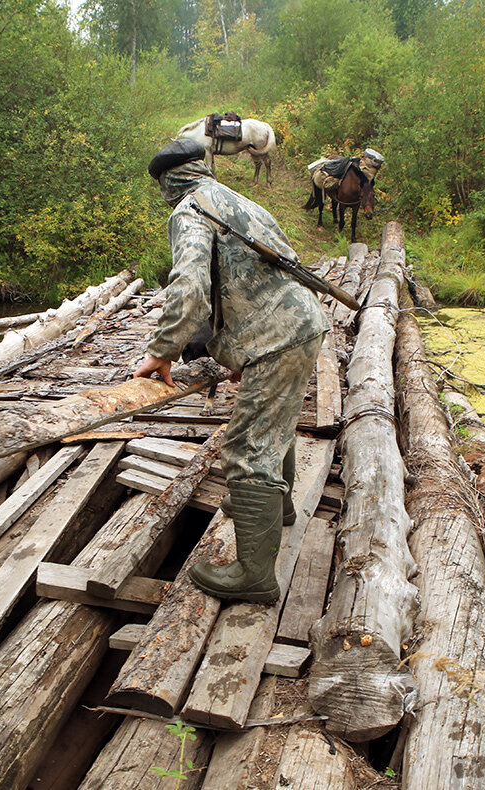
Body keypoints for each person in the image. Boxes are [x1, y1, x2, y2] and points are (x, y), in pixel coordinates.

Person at [134, 138, 329, 604]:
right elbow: (282, 265)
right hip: (303, 322)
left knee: (246, 447)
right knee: (272, 424)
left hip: (276, 336)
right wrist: (244, 349)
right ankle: (277, 506)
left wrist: (162, 351)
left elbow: (190, 287)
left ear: (166, 182)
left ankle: (254, 575)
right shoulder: (239, 201)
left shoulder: (188, 211)